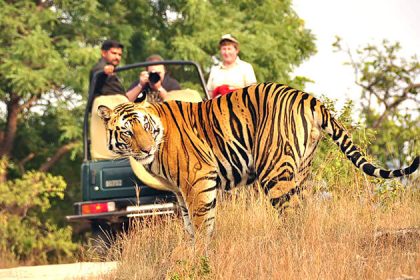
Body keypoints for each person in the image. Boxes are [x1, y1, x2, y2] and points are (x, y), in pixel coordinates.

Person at [207, 34, 257, 98]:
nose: (226, 52)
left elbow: (252, 93)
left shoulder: (246, 67)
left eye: (229, 49)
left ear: (236, 50)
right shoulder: (214, 69)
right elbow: (209, 94)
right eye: (224, 49)